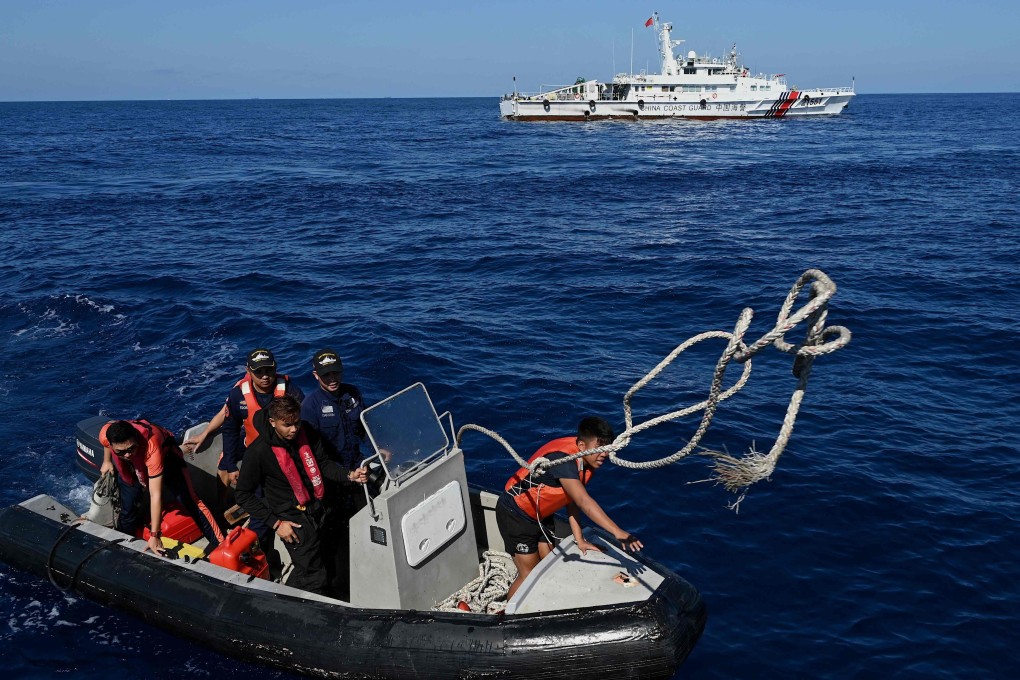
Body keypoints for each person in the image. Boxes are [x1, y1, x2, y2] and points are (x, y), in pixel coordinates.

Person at [496, 417, 643, 599]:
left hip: (541, 514)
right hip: (516, 514)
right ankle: (509, 619)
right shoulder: (564, 461)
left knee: (548, 560)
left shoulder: (585, 460)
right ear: (581, 445)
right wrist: (617, 531)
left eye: (607, 448)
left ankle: (541, 600)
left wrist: (579, 539)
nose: (604, 454)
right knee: (529, 574)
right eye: (600, 447)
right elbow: (583, 501)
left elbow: (572, 501)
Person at [234, 396, 367, 595]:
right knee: (313, 574)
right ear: (273, 422)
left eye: (296, 422)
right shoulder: (258, 452)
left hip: (320, 508)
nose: (294, 429)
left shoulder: (307, 432)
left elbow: (323, 463)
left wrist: (349, 475)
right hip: (292, 520)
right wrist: (276, 524)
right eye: (287, 425)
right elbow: (243, 495)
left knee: (333, 558)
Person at [299, 348, 369, 598]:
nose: (333, 379)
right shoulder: (310, 407)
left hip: (359, 473)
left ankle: (368, 573)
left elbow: (365, 427)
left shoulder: (353, 394)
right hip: (331, 483)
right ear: (315, 375)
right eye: (326, 375)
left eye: (336, 373)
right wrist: (344, 476)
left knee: (365, 527)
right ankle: (341, 592)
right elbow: (314, 458)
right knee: (337, 542)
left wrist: (381, 446)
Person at [99, 419, 225, 555]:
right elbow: (107, 444)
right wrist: (107, 461)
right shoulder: (106, 434)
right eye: (121, 452)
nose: (127, 454)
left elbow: (155, 495)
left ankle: (220, 543)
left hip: (167, 459)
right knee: (127, 511)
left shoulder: (152, 446)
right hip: (134, 467)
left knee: (190, 500)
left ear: (136, 439)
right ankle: (125, 548)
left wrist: (155, 535)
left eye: (131, 448)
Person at [219, 348, 304, 487]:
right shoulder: (237, 395)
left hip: (288, 453)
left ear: (275, 367)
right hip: (255, 455)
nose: (265, 376)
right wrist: (231, 465)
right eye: (259, 372)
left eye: (268, 370)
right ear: (248, 371)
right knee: (224, 466)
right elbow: (230, 429)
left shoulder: (291, 390)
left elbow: (304, 422)